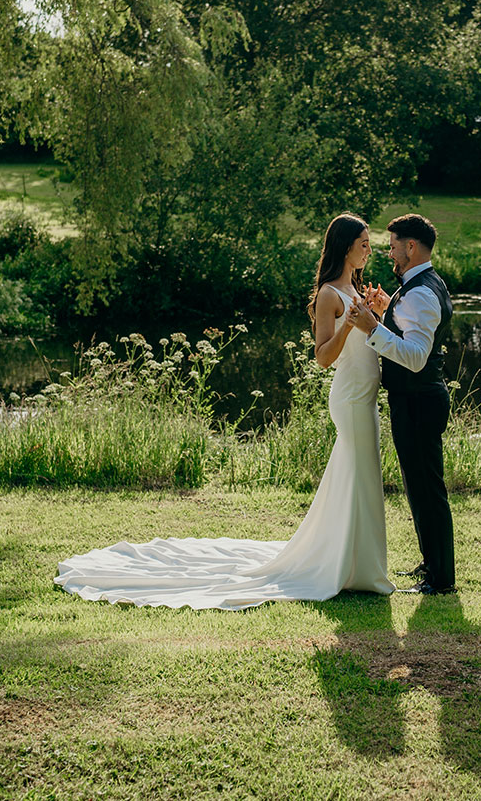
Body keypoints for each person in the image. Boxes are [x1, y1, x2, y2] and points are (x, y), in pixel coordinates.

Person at [54, 213, 395, 610]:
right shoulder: (329, 296)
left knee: (359, 477)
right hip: (350, 398)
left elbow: (369, 338)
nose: (369, 250)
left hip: (365, 395)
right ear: (345, 245)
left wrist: (379, 313)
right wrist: (351, 325)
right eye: (364, 243)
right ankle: (351, 569)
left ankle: (354, 565)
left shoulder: (355, 291)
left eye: (369, 243)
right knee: (360, 473)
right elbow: (322, 358)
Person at [348, 213, 455, 595]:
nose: (388, 251)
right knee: (418, 486)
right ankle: (431, 564)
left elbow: (414, 357)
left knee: (427, 488)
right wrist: (384, 312)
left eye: (393, 244)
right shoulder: (420, 285)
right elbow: (408, 333)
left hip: (418, 400)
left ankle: (441, 579)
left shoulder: (422, 292)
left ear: (411, 246)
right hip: (416, 399)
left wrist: (372, 328)